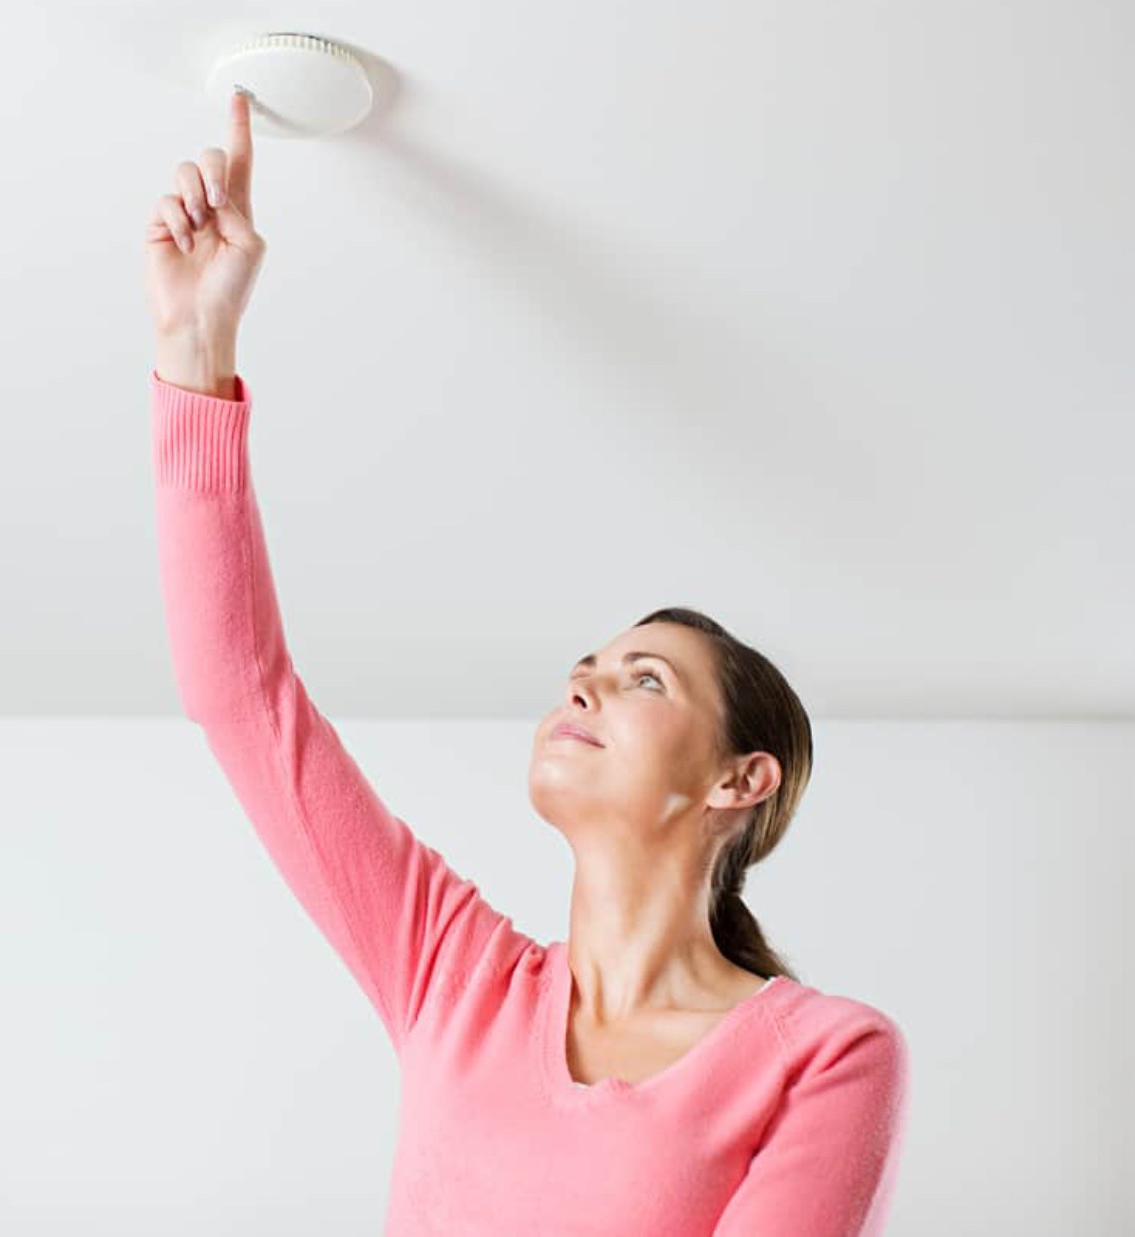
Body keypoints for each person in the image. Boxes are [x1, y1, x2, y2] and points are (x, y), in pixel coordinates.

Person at [144, 87, 909, 1236]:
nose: (585, 683)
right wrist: (195, 350)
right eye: (588, 665)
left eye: (645, 678)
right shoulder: (451, 974)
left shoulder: (824, 1054)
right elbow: (240, 697)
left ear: (735, 780)